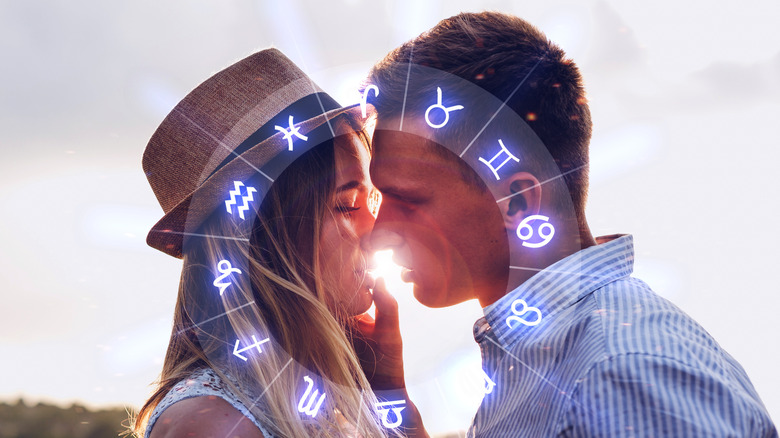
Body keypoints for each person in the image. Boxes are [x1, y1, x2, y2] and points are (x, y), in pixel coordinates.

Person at [361, 11, 778, 437]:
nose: (377, 237)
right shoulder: (558, 364)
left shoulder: (619, 376)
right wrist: (394, 407)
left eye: (408, 201)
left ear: (519, 200)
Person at [133, 49, 426, 438]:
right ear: (267, 237)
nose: (379, 229)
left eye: (371, 201)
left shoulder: (314, 404)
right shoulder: (216, 425)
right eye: (346, 205)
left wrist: (391, 396)